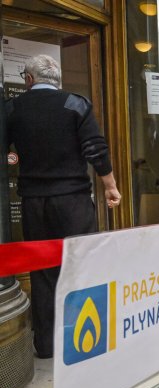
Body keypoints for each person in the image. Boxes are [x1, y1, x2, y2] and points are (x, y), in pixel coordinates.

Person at [7, 54, 121, 359]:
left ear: (29, 80)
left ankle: (46, 345)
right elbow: (95, 148)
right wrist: (110, 186)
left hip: (33, 204)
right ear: (57, 80)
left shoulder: (13, 108)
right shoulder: (76, 104)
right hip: (73, 201)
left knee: (42, 273)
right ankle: (86, 341)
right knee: (82, 267)